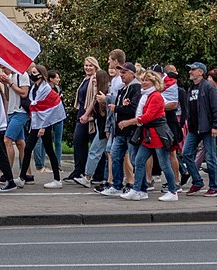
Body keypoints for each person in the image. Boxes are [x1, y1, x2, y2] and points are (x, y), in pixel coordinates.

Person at [121, 69, 178, 201]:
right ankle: (138, 190)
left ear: (154, 82)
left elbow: (147, 117)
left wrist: (129, 122)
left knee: (164, 164)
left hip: (158, 134)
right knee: (139, 161)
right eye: (143, 80)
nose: (144, 83)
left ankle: (172, 191)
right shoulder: (147, 96)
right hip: (149, 134)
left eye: (147, 80)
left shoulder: (156, 96)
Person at [180, 62, 217, 196]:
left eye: (193, 70)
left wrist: (216, 125)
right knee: (186, 153)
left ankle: (214, 186)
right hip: (194, 128)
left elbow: (216, 107)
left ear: (201, 72)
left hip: (207, 127)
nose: (190, 72)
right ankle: (197, 181)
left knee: (211, 157)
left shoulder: (208, 87)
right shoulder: (191, 88)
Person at [20, 63, 65, 188]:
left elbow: (47, 109)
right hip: (38, 122)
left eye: (34, 73)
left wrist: (43, 127)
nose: (32, 75)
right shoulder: (35, 87)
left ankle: (56, 179)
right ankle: (22, 177)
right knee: (31, 149)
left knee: (43, 150)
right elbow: (37, 107)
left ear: (41, 75)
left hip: (42, 123)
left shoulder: (45, 89)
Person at [100, 62, 141, 196]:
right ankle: (116, 185)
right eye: (121, 72)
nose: (121, 75)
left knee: (135, 160)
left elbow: (133, 108)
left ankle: (139, 187)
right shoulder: (123, 88)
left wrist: (117, 108)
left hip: (131, 130)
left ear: (132, 73)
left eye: (124, 72)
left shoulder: (136, 88)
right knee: (116, 156)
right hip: (120, 130)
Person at [66, 57, 103, 187]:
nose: (88, 68)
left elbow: (94, 98)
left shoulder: (95, 80)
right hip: (82, 112)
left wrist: (88, 115)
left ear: (95, 67)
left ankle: (97, 174)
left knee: (95, 145)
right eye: (86, 65)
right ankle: (79, 170)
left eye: (90, 66)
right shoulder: (85, 79)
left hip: (90, 115)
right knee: (78, 141)